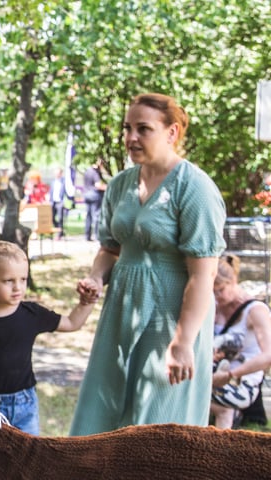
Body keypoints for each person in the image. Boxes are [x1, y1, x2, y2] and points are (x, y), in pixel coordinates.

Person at [70, 93, 226, 436]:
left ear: (171, 132)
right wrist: (96, 278)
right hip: (122, 310)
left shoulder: (194, 187)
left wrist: (183, 341)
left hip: (170, 316)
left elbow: (204, 276)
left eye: (144, 129)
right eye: (128, 128)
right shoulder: (120, 184)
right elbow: (110, 250)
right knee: (106, 412)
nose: (131, 138)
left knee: (157, 423)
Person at [0, 241, 95, 434]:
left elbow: (72, 323)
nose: (17, 287)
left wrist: (85, 303)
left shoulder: (31, 314)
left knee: (28, 456)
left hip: (25, 402)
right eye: (8, 281)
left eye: (23, 279)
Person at [209, 255, 271, 429]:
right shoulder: (213, 305)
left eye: (220, 289)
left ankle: (224, 419)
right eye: (213, 291)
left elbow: (268, 356)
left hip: (239, 381)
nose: (217, 295)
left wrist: (230, 375)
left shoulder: (255, 310)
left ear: (233, 280)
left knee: (184, 390)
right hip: (212, 373)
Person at [82, 157, 107, 242]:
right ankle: (97, 236)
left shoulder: (87, 171)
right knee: (96, 216)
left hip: (86, 195)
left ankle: (87, 235)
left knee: (88, 216)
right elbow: (98, 185)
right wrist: (108, 187)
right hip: (95, 196)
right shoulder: (95, 172)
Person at [48, 167, 70, 239]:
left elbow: (67, 192)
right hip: (53, 202)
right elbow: (51, 192)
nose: (56, 174)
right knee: (52, 218)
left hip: (60, 202)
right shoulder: (53, 182)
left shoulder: (64, 182)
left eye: (58, 173)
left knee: (60, 218)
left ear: (61, 174)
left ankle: (60, 234)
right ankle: (59, 229)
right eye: (55, 173)